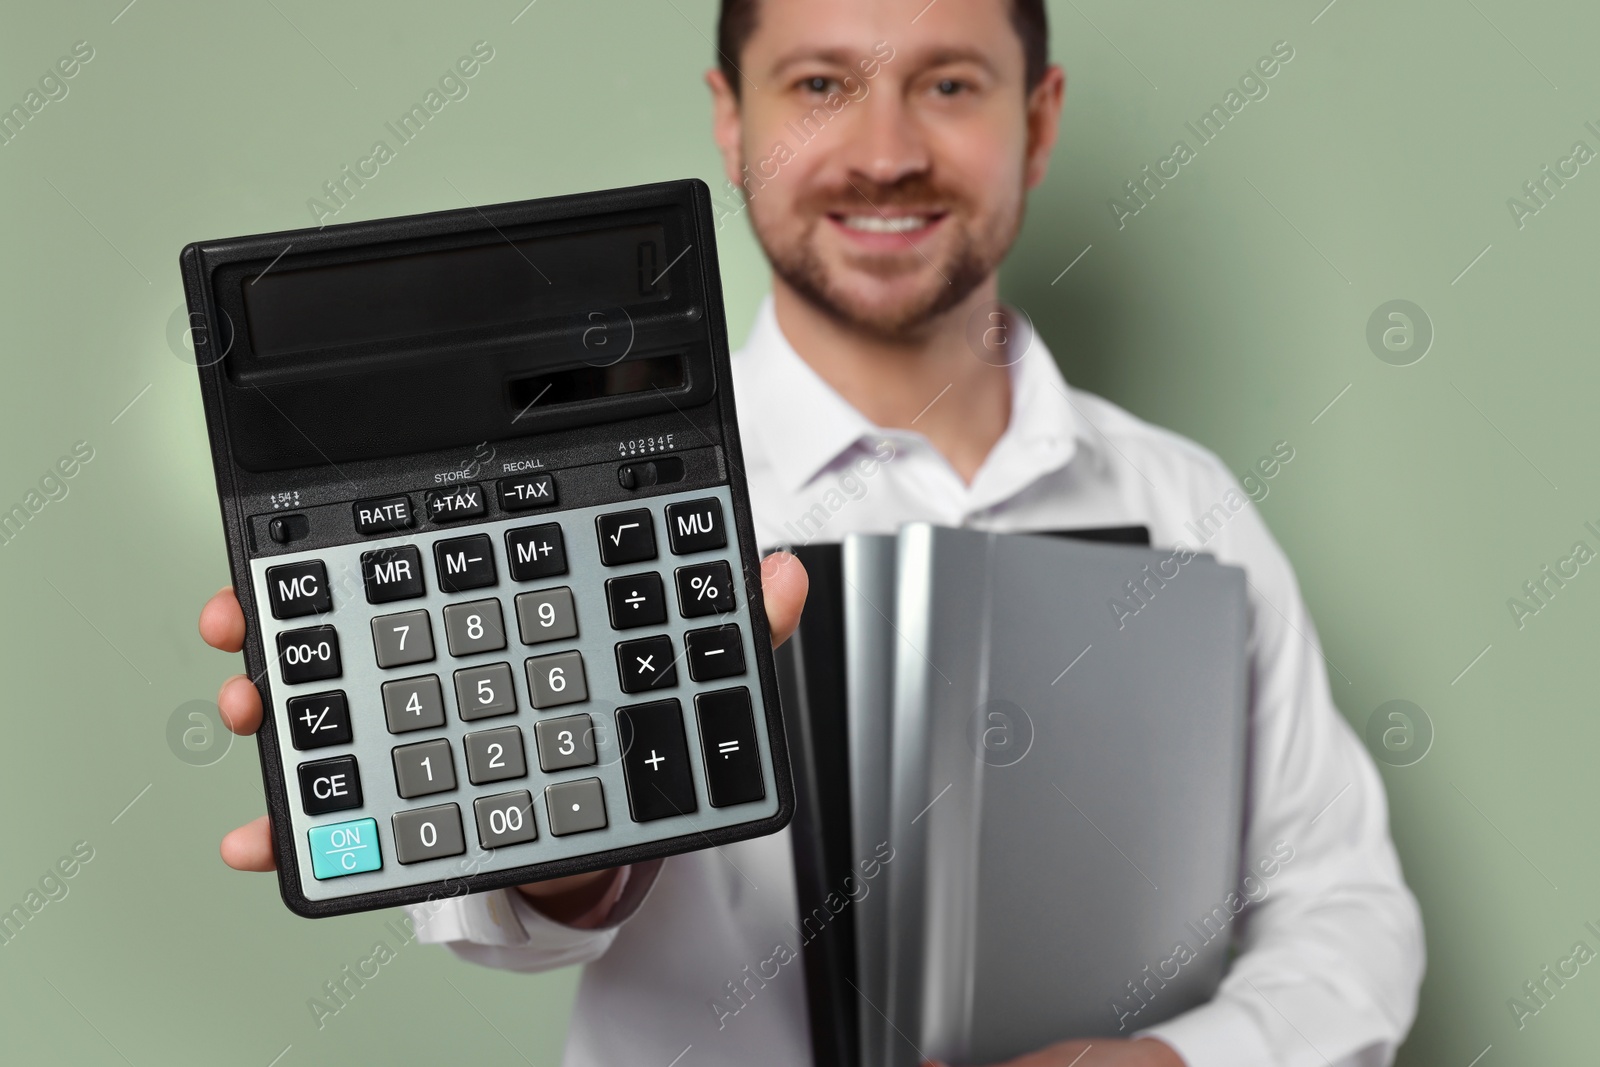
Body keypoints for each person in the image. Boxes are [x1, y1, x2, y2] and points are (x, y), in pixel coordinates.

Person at [198, 1, 1425, 1063]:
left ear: (1039, 119)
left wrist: (1163, 1063)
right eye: (821, 85)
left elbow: (1348, 909)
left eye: (948, 83)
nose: (884, 153)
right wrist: (558, 836)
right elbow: (514, 917)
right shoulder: (569, 507)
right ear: (731, 121)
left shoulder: (1185, 500)